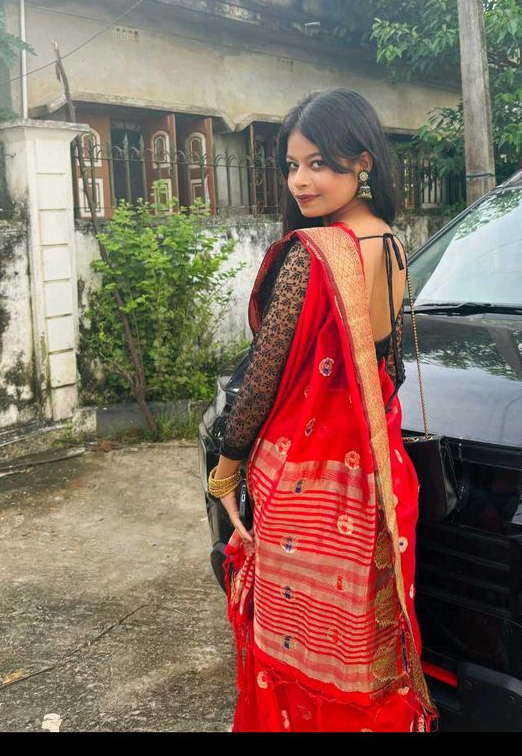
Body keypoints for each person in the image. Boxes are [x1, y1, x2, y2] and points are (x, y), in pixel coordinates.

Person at [207, 88, 439, 733]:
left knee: (293, 652)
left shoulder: (315, 255)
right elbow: (383, 367)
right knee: (363, 646)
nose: (300, 181)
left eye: (318, 164)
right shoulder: (390, 242)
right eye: (291, 165)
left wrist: (226, 467)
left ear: (360, 162)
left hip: (307, 482)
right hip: (374, 476)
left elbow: (261, 378)